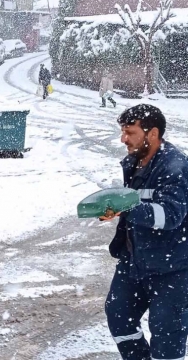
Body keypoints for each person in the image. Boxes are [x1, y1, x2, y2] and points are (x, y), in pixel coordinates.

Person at [101, 104, 188, 360]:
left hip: (172, 267)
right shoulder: (136, 162)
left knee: (166, 335)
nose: (123, 139)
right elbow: (134, 203)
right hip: (134, 262)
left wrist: (126, 208)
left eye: (130, 132)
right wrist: (114, 209)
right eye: (123, 132)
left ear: (152, 134)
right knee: (118, 315)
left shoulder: (174, 166)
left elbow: (170, 215)